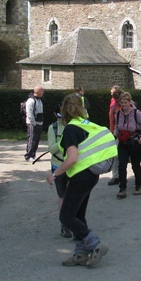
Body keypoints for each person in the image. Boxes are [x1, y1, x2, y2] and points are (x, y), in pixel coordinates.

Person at [45, 93, 117, 267]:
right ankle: (80, 254)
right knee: (78, 215)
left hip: (80, 177)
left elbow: (72, 158)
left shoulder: (70, 128)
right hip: (91, 176)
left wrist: (55, 174)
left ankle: (95, 245)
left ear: (63, 110)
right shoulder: (87, 125)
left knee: (66, 216)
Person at [113, 92, 141, 198]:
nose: (123, 105)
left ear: (130, 102)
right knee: (122, 165)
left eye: (125, 102)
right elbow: (116, 127)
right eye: (122, 103)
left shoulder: (136, 113)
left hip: (134, 143)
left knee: (135, 165)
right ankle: (122, 188)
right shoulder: (118, 114)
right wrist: (114, 136)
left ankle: (138, 186)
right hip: (123, 142)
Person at [47, 103, 71, 238]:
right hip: (58, 165)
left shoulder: (72, 126)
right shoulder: (53, 128)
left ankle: (75, 221)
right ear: (56, 115)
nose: (64, 119)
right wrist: (64, 140)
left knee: (73, 196)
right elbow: (52, 149)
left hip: (73, 165)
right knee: (62, 196)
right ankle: (65, 224)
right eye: (61, 115)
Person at [107, 85, 123, 186]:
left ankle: (120, 176)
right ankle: (115, 176)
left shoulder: (127, 104)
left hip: (125, 133)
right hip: (116, 132)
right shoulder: (113, 104)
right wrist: (112, 132)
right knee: (115, 154)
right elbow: (112, 119)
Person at [25, 85, 44, 162]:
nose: (43, 92)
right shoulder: (31, 100)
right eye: (42, 91)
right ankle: (28, 155)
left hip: (39, 122)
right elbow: (29, 113)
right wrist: (34, 123)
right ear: (38, 92)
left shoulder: (39, 100)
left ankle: (33, 154)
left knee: (36, 139)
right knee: (32, 139)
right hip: (33, 123)